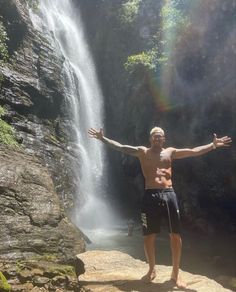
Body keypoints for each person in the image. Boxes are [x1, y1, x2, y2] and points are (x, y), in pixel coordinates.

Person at [88, 126, 231, 288]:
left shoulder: (170, 152)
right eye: (155, 136)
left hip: (169, 194)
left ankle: (175, 275)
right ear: (150, 139)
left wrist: (212, 145)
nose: (157, 138)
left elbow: (193, 151)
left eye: (160, 136)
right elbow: (121, 147)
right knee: (148, 235)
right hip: (150, 196)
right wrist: (102, 139)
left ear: (164, 139)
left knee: (175, 235)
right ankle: (151, 270)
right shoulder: (142, 152)